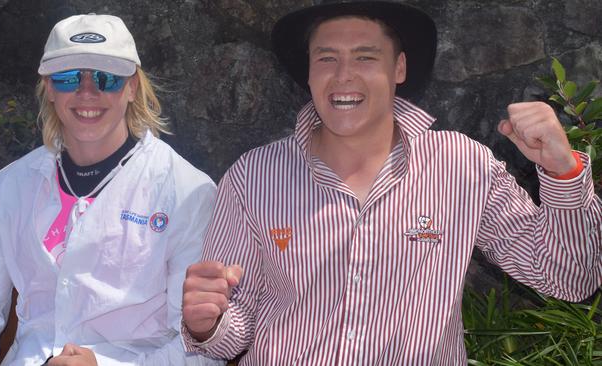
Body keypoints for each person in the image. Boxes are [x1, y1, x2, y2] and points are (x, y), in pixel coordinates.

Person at [181, 1, 602, 364]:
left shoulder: (461, 166)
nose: (343, 75)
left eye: (365, 57)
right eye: (326, 58)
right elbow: (234, 329)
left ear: (398, 67)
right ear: (309, 72)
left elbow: (570, 278)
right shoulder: (253, 176)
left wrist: (562, 173)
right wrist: (209, 322)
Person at [0, 14, 223, 366]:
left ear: (132, 87)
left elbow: (202, 349)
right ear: (49, 88)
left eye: (106, 78)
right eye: (67, 78)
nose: (87, 92)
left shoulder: (188, 192)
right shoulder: (10, 186)